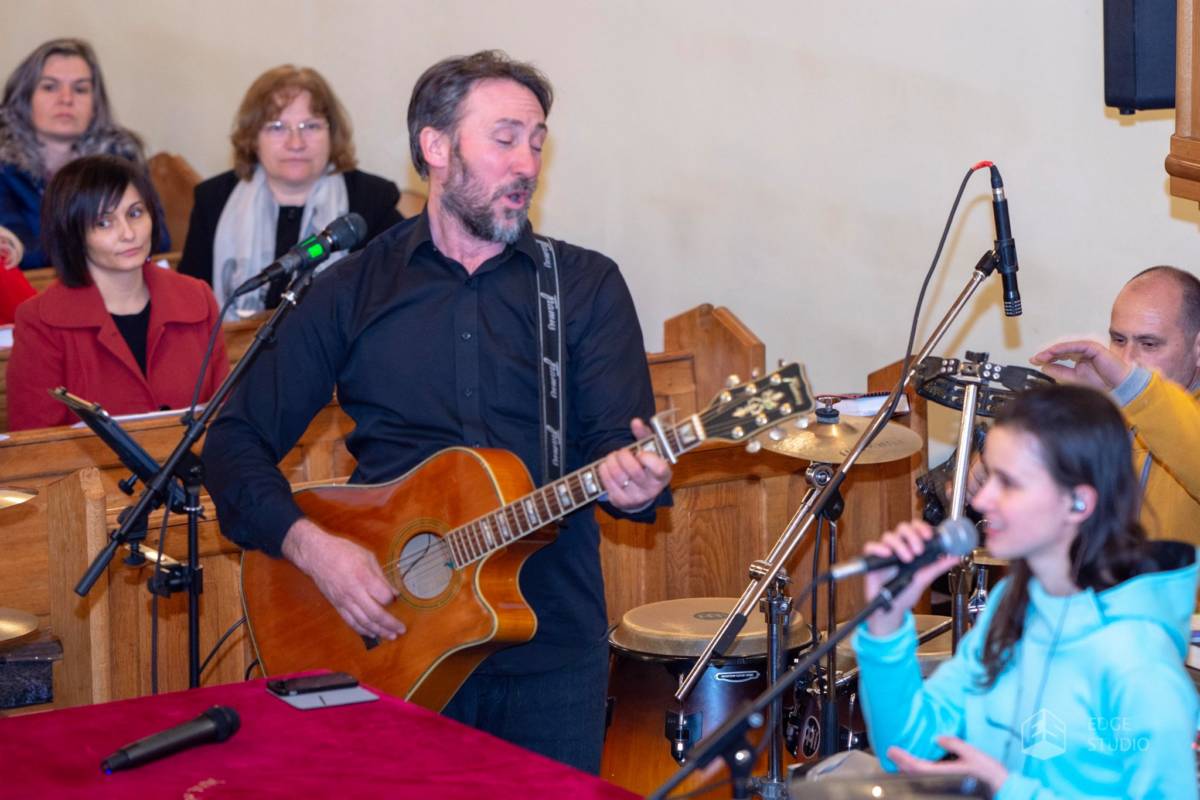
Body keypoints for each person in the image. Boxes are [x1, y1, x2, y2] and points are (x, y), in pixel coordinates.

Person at [202, 51, 671, 772]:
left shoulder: (583, 286)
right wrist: (313, 549)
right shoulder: (353, 288)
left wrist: (636, 484)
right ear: (436, 146)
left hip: (547, 647)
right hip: (390, 640)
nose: (526, 163)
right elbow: (233, 440)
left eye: (536, 142)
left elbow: (618, 450)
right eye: (504, 139)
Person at [852, 384, 1198, 798]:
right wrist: (887, 622)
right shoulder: (1011, 607)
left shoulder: (1136, 658)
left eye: (1009, 483)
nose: (982, 500)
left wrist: (1006, 789)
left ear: (1078, 503)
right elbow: (904, 750)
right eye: (988, 476)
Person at [7, 155, 227, 430]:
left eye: (135, 213)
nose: (128, 234)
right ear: (73, 233)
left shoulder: (196, 297)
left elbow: (228, 415)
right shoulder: (40, 320)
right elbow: (35, 442)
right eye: (104, 223)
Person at [178, 65, 403, 318]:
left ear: (332, 133)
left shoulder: (372, 201)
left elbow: (399, 301)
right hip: (232, 344)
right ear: (253, 137)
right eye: (277, 127)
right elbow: (187, 304)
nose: (296, 143)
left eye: (311, 126)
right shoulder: (213, 200)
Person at [1031, 266, 1200, 547]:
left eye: (1149, 344)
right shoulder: (1115, 411)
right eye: (1119, 340)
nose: (1127, 360)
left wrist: (1130, 388)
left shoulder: (1160, 412)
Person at [0, 38, 158, 270]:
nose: (66, 99)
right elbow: (17, 252)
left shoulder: (121, 157)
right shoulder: (4, 166)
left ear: (95, 103)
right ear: (24, 98)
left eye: (80, 89)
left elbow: (158, 237)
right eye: (50, 87)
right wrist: (103, 243)